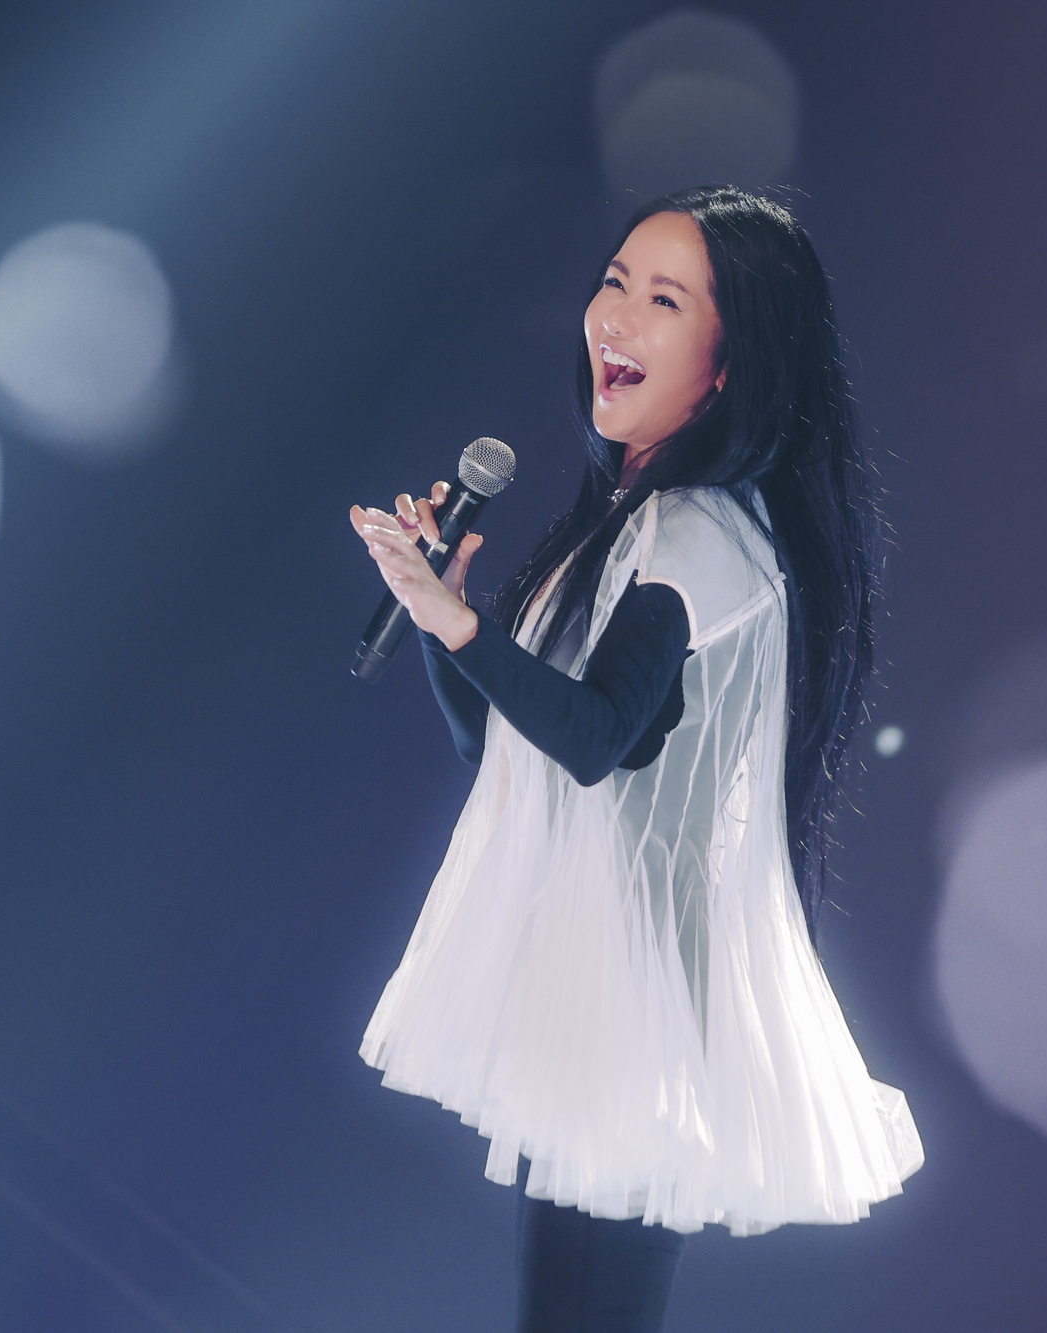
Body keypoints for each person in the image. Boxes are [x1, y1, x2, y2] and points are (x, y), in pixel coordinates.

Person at [349, 186, 923, 1333]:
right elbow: (502, 748)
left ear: (728, 363)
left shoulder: (700, 529)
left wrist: (460, 629)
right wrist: (439, 619)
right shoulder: (628, 521)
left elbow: (592, 737)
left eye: (663, 299)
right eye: (613, 282)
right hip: (602, 987)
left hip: (643, 1001)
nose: (614, 316)